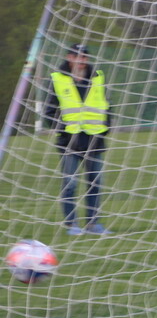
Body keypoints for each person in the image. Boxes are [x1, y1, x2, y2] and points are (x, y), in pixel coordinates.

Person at [46, 44, 111, 236]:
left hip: (94, 139)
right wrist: (63, 130)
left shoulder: (97, 77)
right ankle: (71, 223)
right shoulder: (58, 79)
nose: (81, 60)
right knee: (70, 183)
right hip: (69, 141)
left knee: (94, 182)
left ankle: (93, 223)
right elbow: (49, 111)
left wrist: (106, 127)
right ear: (69, 57)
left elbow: (107, 105)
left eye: (84, 57)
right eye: (77, 56)